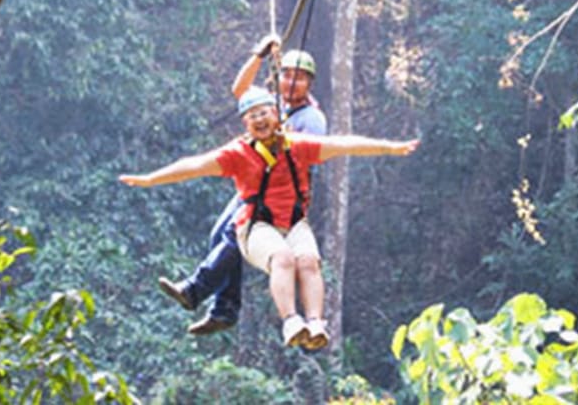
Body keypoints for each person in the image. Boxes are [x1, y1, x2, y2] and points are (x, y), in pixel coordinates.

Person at [120, 84, 418, 351]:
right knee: (283, 258)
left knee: (308, 262)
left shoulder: (298, 146)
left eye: (264, 113)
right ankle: (290, 320)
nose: (259, 120)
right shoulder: (238, 154)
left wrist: (389, 148)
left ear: (277, 115)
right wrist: (150, 179)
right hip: (256, 227)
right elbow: (194, 165)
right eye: (252, 117)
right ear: (245, 125)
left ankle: (315, 322)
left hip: (293, 222)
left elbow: (344, 144)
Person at [154, 34, 326, 336]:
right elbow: (240, 90)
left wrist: (281, 135)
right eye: (286, 75)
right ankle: (224, 308)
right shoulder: (272, 106)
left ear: (309, 84)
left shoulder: (310, 118)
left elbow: (308, 154)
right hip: (256, 185)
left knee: (235, 236)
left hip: (279, 194)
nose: (291, 83)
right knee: (219, 233)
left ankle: (197, 290)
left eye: (299, 79)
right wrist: (260, 54)